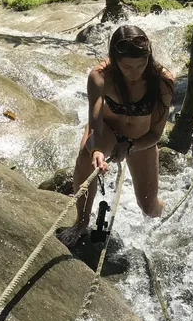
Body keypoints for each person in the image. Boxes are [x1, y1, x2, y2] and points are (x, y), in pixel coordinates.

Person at [58, 25, 175, 247]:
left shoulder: (162, 80)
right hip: (108, 130)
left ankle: (166, 215)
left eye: (141, 64)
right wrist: (96, 151)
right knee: (86, 157)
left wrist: (130, 146)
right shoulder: (100, 77)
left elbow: (155, 134)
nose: (135, 72)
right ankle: (81, 222)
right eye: (127, 66)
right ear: (114, 59)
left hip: (142, 139)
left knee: (149, 208)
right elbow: (94, 126)